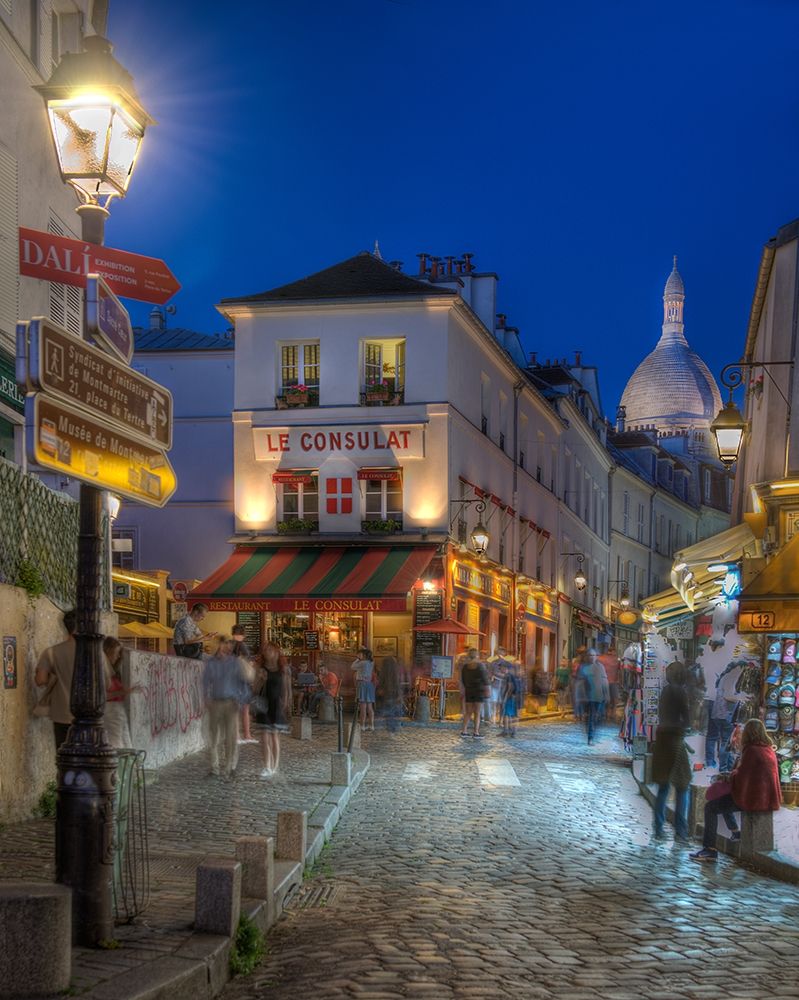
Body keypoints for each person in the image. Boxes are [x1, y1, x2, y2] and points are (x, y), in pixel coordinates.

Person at [690, 718, 782, 862]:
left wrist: (729, 775)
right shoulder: (768, 749)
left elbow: (742, 778)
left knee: (710, 807)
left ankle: (710, 849)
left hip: (754, 799)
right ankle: (735, 832)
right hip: (765, 798)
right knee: (723, 799)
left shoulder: (752, 750)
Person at [651, 661, 691, 841]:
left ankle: (658, 828)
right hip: (675, 739)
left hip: (662, 740)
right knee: (683, 786)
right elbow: (687, 719)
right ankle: (680, 830)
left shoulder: (665, 691)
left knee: (663, 786)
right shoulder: (680, 691)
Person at [203, 636, 251, 779]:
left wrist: (241, 700)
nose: (224, 648)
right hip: (215, 702)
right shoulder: (211, 663)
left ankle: (230, 767)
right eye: (221, 645)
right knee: (213, 737)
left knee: (230, 738)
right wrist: (205, 697)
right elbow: (205, 682)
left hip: (231, 703)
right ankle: (214, 767)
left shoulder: (235, 663)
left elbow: (243, 683)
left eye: (226, 645)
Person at [34, 609, 77, 754]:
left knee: (64, 757)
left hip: (62, 714)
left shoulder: (51, 653)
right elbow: (107, 684)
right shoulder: (96, 654)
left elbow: (40, 680)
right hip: (89, 718)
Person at [254, 641, 291, 779]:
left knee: (275, 737)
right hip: (264, 704)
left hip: (277, 705)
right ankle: (266, 766)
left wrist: (286, 702)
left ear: (276, 652)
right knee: (264, 737)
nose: (267, 652)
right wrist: (261, 679)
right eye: (266, 650)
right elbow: (255, 689)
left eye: (270, 650)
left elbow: (286, 688)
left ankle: (274, 765)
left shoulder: (283, 669)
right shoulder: (261, 667)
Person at [102, 636, 134, 749]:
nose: (118, 656)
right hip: (110, 712)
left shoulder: (113, 671)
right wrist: (122, 692)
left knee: (126, 745)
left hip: (118, 711)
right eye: (116, 653)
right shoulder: (103, 671)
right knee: (116, 745)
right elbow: (102, 696)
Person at [574, 648, 609, 745]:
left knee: (598, 717)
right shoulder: (583, 668)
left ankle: (592, 732)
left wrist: (606, 694)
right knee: (591, 717)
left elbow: (604, 681)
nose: (592, 657)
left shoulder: (600, 667)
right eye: (590, 655)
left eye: (593, 655)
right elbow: (579, 683)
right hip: (588, 697)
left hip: (600, 697)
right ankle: (590, 737)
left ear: (596, 657)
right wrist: (579, 697)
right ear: (587, 657)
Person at [232, 627, 257, 744]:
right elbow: (249, 662)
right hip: (243, 680)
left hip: (233, 680)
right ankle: (246, 735)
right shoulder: (242, 646)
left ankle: (238, 735)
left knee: (236, 709)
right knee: (244, 709)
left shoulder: (229, 645)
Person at [459, 648, 489, 739]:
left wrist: (466, 688)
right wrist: (487, 689)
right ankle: (476, 732)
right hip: (478, 691)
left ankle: (464, 731)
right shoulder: (480, 666)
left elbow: (463, 679)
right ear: (477, 655)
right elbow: (485, 679)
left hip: (469, 690)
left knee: (468, 712)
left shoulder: (465, 667)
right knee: (477, 712)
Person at [352, 647, 376, 731]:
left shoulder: (362, 663)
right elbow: (371, 656)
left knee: (363, 707)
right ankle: (371, 725)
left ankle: (362, 725)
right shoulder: (371, 662)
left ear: (364, 655)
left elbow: (352, 667)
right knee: (370, 706)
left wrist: (357, 659)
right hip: (369, 685)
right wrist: (365, 650)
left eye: (360, 654)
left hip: (362, 684)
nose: (358, 655)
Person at [378, 655, 402, 733]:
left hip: (385, 696)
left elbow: (380, 684)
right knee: (391, 713)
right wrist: (399, 695)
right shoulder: (395, 673)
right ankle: (392, 729)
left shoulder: (383, 673)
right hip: (393, 695)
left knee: (387, 712)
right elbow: (397, 685)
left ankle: (388, 727)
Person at [500, 661, 519, 737]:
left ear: (505, 668)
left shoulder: (508, 676)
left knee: (507, 714)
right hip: (512, 697)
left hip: (510, 698)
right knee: (509, 714)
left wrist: (505, 698)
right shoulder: (510, 675)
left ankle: (507, 731)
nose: (500, 668)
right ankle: (510, 731)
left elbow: (510, 687)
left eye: (501, 667)